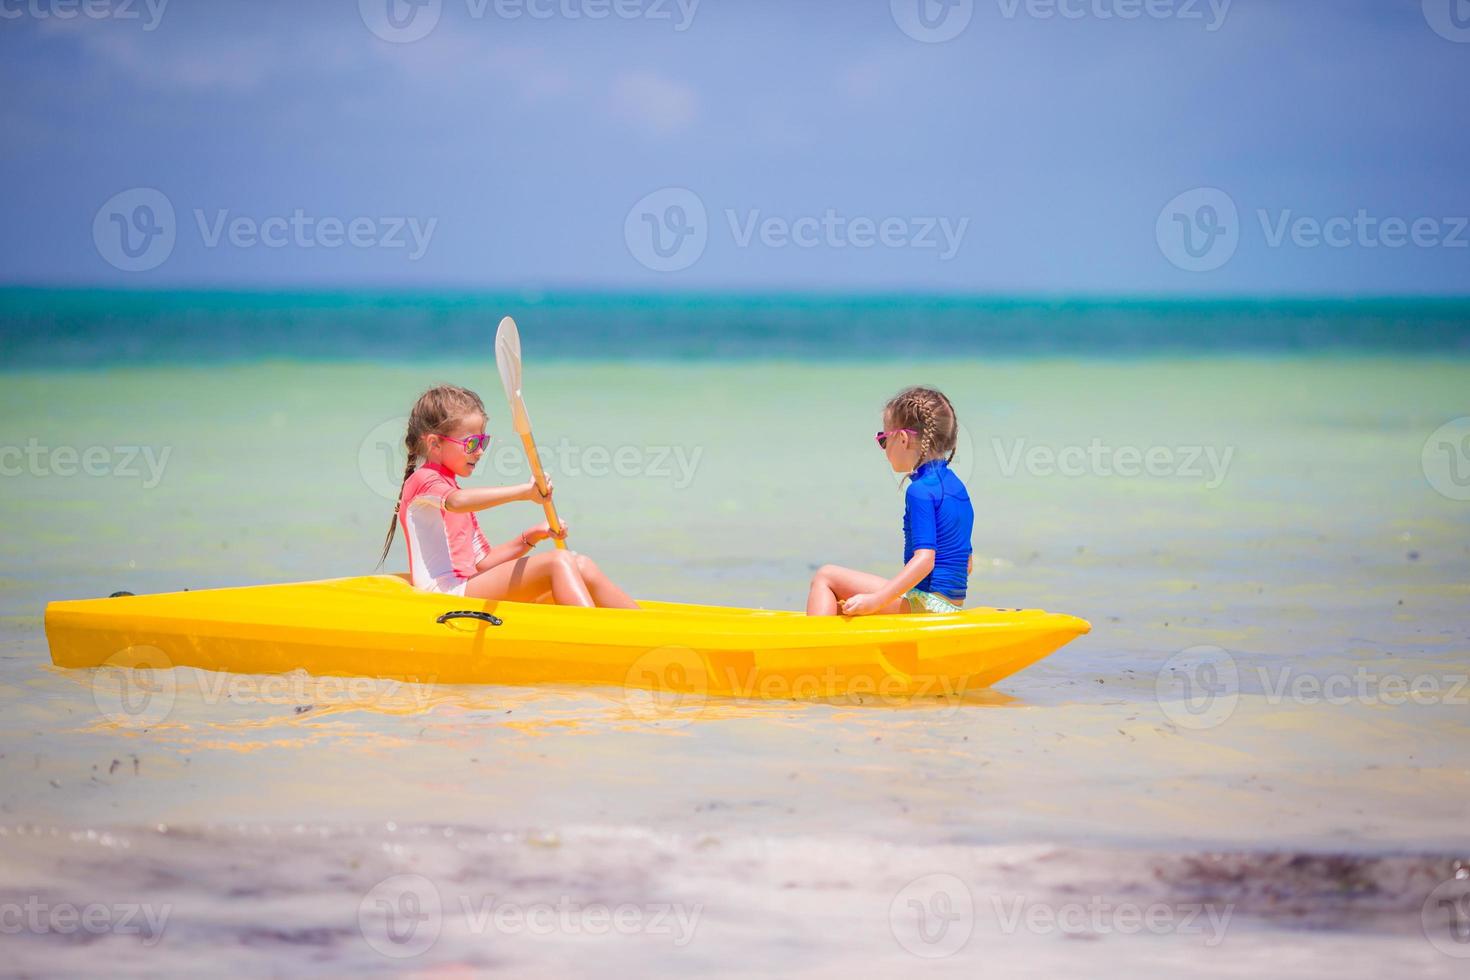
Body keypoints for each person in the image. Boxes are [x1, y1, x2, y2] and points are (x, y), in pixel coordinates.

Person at [378, 384, 638, 608]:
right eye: (471, 444)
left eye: (483, 442)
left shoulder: (452, 490)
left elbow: (483, 563)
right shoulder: (424, 482)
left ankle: (643, 628)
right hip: (445, 594)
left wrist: (532, 535)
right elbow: (456, 503)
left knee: (578, 563)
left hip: (469, 585)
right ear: (434, 443)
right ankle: (594, 640)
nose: (479, 452)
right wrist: (524, 493)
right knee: (558, 562)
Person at [807, 386, 973, 616]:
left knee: (825, 576)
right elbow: (967, 562)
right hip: (951, 604)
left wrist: (877, 601)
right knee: (840, 607)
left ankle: (815, 647)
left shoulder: (920, 491)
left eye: (883, 440)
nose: (884, 449)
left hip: (926, 606)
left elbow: (925, 560)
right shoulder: (956, 486)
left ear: (903, 439)